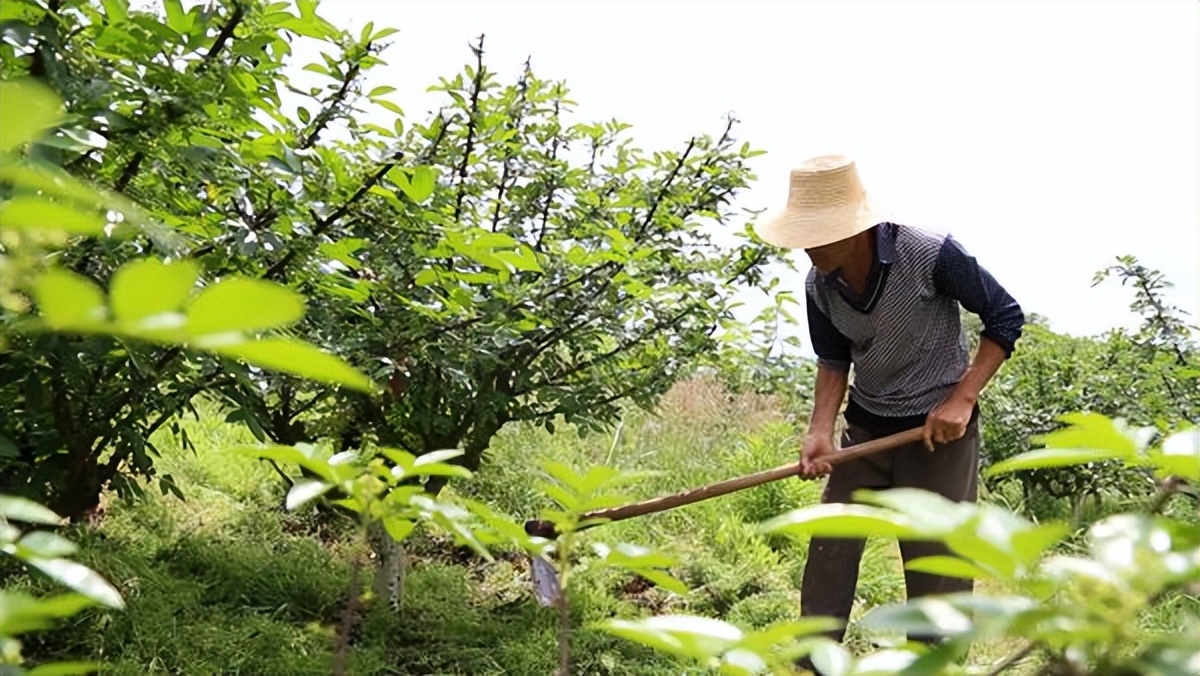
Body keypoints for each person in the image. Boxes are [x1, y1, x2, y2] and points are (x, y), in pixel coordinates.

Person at [753, 155, 1025, 667]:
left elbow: (1005, 317)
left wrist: (962, 399)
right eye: (802, 235)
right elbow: (833, 360)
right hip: (867, 430)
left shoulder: (928, 253)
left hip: (936, 431)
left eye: (816, 234)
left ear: (853, 228)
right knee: (831, 544)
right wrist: (820, 432)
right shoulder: (820, 284)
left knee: (936, 567)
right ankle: (815, 662)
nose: (806, 247)